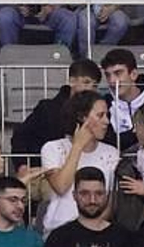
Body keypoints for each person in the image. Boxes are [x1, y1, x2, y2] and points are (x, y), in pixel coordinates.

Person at [40, 96, 122, 236]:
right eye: (100, 115)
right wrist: (77, 146)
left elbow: (109, 202)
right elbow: (61, 186)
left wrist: (91, 229)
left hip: (95, 232)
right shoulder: (53, 148)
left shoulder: (111, 153)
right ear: (82, 117)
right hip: (58, 229)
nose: (107, 121)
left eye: (107, 115)